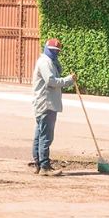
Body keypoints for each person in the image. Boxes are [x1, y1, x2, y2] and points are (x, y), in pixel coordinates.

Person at [31, 38, 75, 176]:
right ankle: (44, 166)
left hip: (45, 103)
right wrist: (68, 80)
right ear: (47, 49)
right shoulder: (45, 62)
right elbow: (51, 81)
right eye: (53, 51)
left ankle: (38, 164)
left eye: (57, 51)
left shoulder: (49, 61)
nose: (55, 53)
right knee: (45, 136)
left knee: (40, 135)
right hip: (46, 104)